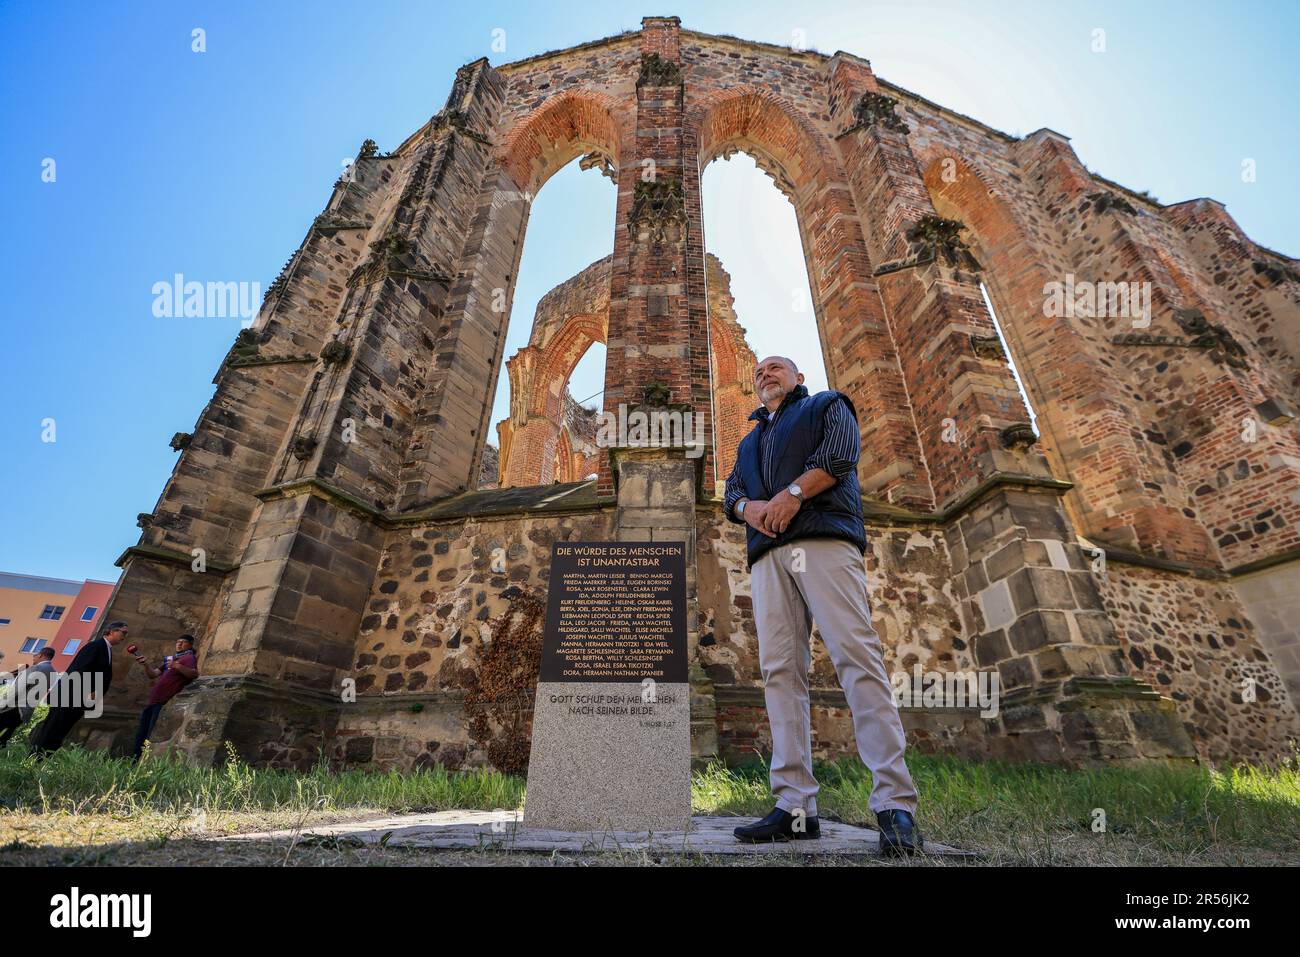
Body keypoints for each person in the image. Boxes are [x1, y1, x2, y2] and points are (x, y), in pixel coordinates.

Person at [724, 356, 922, 855]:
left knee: (856, 657)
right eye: (759, 372)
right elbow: (732, 494)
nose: (765, 374)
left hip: (823, 540)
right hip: (768, 554)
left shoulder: (826, 405)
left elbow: (839, 456)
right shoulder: (748, 442)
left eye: (776, 368)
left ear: (798, 378)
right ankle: (794, 808)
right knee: (779, 671)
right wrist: (755, 509)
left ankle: (894, 805)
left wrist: (791, 494)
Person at [29, 620, 129, 757]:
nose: (124, 636)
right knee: (52, 730)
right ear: (112, 631)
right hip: (70, 696)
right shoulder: (95, 647)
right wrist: (90, 691)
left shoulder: (107, 650)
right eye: (123, 632)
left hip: (78, 700)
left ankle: (42, 758)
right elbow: (78, 670)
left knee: (59, 732)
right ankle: (34, 758)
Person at [130, 634, 199, 760]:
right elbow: (154, 674)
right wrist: (145, 665)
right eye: (177, 642)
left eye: (182, 642)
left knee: (151, 735)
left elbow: (194, 674)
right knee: (142, 734)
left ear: (190, 644)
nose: (179, 644)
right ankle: (135, 762)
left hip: (163, 702)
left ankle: (144, 762)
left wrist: (177, 666)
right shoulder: (172, 659)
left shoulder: (189, 658)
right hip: (153, 701)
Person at [0, 647, 57, 747]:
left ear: (40, 655)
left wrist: (2, 703)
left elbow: (17, 689)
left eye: (35, 655)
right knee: (6, 735)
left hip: (14, 707)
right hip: (27, 710)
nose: (33, 658)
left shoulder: (36, 668)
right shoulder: (53, 673)